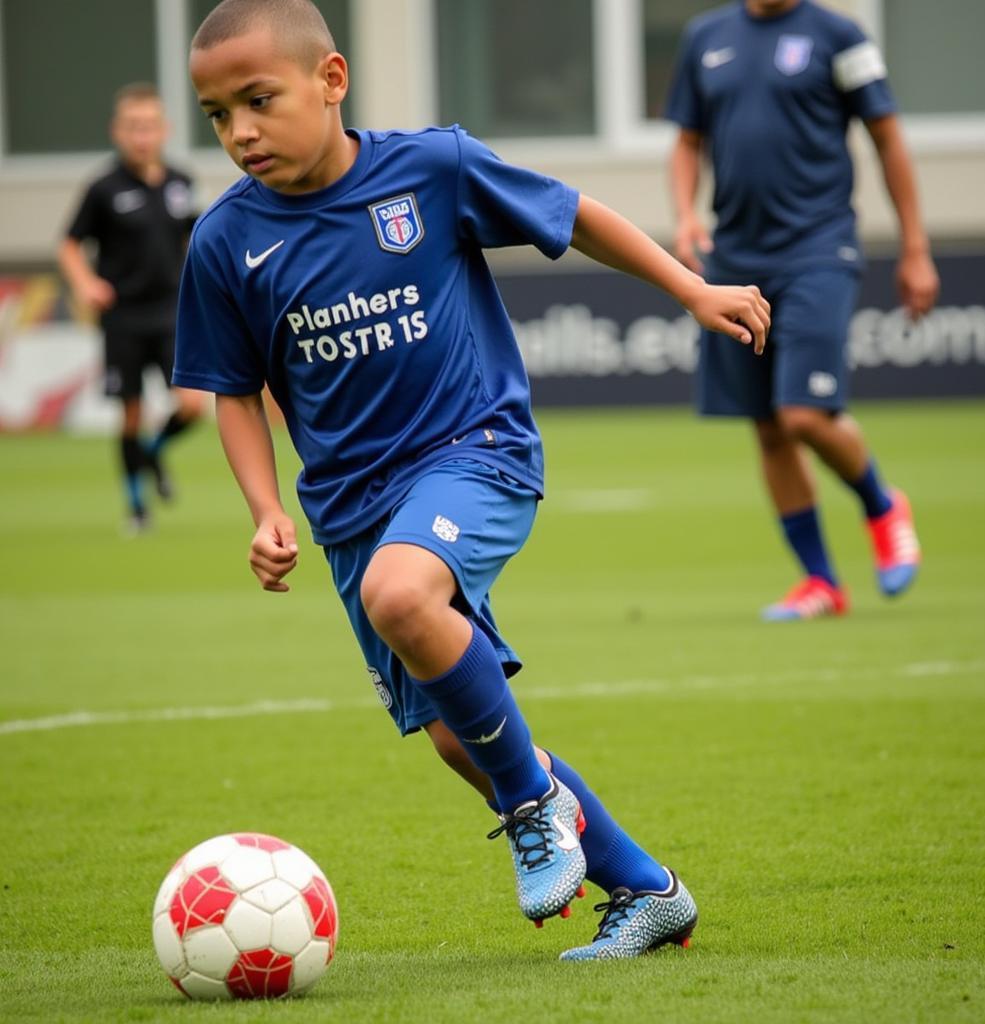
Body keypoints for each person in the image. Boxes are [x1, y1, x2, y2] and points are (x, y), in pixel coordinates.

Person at [177, 0, 769, 960]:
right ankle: (650, 894)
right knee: (463, 732)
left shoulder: (432, 168)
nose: (240, 131)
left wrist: (692, 288)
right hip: (350, 508)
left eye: (258, 99)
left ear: (331, 82)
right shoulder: (225, 243)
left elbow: (575, 216)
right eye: (216, 114)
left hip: (476, 451)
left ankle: (535, 807)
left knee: (400, 593)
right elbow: (233, 391)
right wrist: (264, 507)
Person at [665, 0, 939, 620]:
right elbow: (686, 142)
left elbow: (888, 139)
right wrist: (685, 217)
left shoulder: (839, 35)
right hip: (734, 256)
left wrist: (915, 248)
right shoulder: (705, 36)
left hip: (819, 247)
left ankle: (881, 505)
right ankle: (821, 582)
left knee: (804, 415)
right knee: (766, 424)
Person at [59, 83, 205, 534]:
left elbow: (194, 238)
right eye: (133, 127)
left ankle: (153, 452)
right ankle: (137, 506)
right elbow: (69, 243)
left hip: (172, 313)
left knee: (193, 406)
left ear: (165, 130)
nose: (142, 135)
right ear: (117, 131)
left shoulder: (181, 182)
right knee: (132, 414)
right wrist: (86, 282)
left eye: (150, 126)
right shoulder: (103, 188)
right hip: (122, 317)